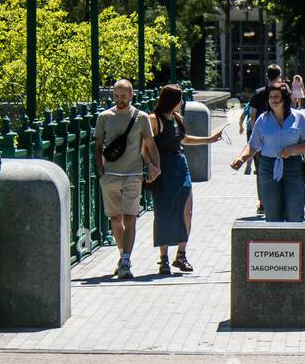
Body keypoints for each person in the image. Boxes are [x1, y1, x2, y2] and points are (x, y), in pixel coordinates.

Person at [149, 84, 223, 274]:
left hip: (180, 166)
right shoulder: (154, 119)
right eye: (180, 99)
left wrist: (209, 140)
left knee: (187, 211)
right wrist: (151, 166)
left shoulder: (177, 118)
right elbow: (147, 145)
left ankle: (181, 255)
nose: (182, 103)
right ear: (171, 100)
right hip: (163, 168)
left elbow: (184, 139)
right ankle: (163, 257)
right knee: (164, 212)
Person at [96, 79, 159, 279]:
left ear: (131, 95)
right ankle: (122, 254)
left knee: (130, 217)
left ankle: (126, 260)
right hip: (110, 174)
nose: (120, 99)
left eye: (124, 96)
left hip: (133, 173)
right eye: (117, 95)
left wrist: (155, 166)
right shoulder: (104, 117)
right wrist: (99, 168)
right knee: (115, 220)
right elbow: (98, 144)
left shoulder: (141, 117)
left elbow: (149, 143)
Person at [230, 82, 305, 222]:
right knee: (272, 211)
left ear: (285, 98)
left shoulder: (300, 118)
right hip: (268, 166)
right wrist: (241, 158)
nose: (273, 100)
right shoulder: (262, 120)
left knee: (294, 210)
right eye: (271, 97)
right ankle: (275, 240)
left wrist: (291, 150)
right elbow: (253, 145)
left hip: (293, 166)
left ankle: (294, 240)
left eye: (277, 96)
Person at [239, 64, 284, 214]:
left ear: (266, 75)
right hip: (279, 137)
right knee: (280, 166)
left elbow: (252, 116)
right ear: (279, 75)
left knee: (261, 170)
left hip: (260, 137)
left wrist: (253, 135)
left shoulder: (258, 93)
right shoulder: (283, 92)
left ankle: (262, 202)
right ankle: (278, 199)